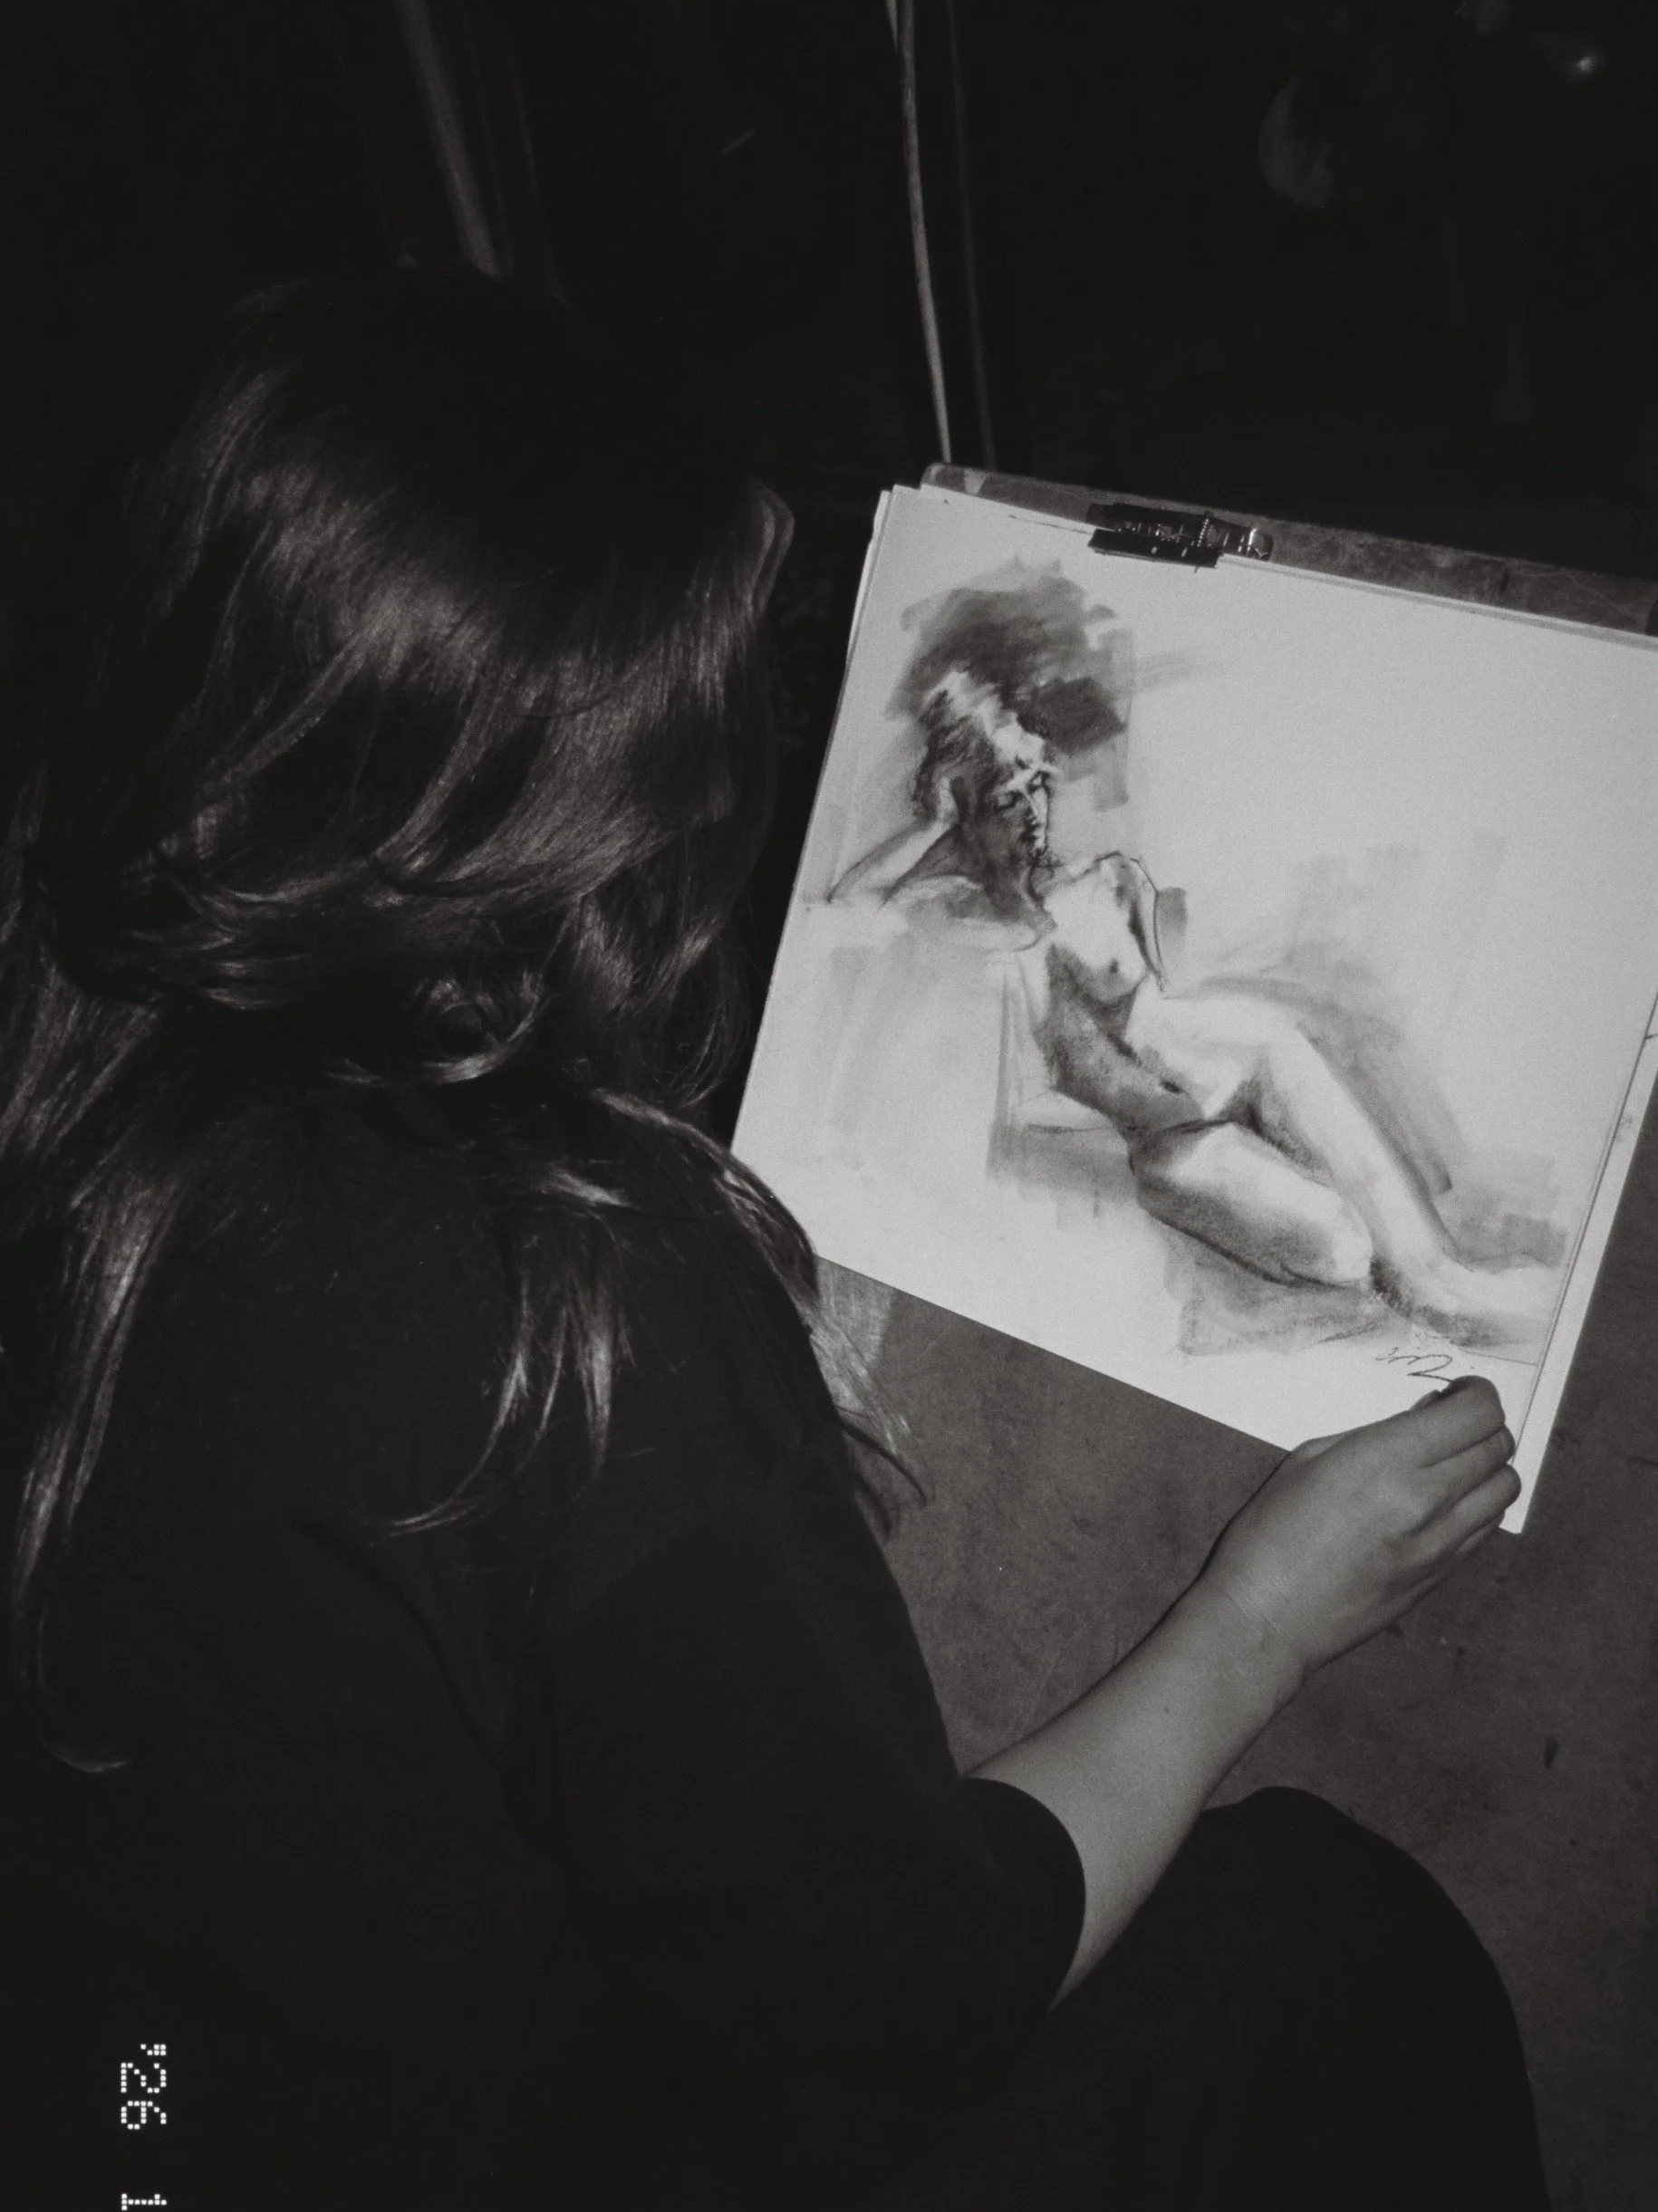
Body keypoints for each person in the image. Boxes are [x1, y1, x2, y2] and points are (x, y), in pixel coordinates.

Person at [0, 272, 1548, 2211]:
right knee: (1337, 1934)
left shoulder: (72, 1043)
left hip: (121, 2106)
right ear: (576, 829)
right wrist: (1258, 1614)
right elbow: (898, 2014)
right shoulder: (565, 1293)